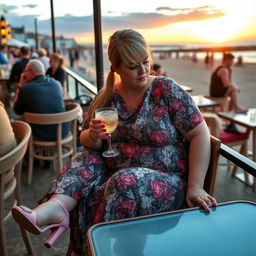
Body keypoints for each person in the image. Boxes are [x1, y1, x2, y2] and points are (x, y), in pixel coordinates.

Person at [12, 29, 217, 255]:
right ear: (115, 68)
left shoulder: (166, 90)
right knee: (84, 157)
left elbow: (200, 134)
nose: (143, 70)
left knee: (123, 182)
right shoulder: (107, 95)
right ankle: (55, 208)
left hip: (164, 184)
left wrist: (196, 185)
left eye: (145, 62)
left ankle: (100, 250)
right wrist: (93, 135)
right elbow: (87, 139)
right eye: (132, 66)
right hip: (115, 175)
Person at [13, 59, 69, 142]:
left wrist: (20, 85)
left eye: (25, 71)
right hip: (62, 132)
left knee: (17, 123)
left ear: (31, 72)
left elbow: (16, 110)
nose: (24, 73)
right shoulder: (57, 84)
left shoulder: (25, 89)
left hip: (40, 136)